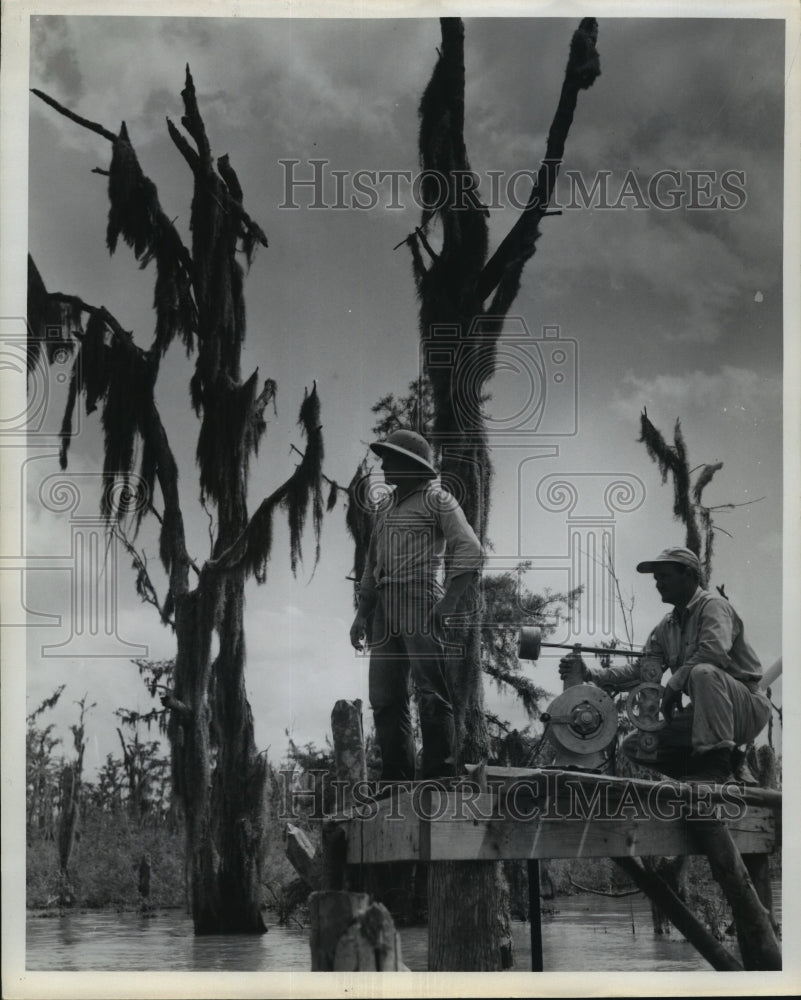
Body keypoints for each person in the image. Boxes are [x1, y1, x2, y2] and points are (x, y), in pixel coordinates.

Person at [560, 546, 771, 783]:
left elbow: (714, 652)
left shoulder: (713, 606)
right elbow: (641, 670)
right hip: (709, 712)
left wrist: (675, 681)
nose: (658, 584)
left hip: (746, 707)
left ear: (689, 575)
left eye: (665, 576)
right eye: (656, 578)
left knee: (704, 672)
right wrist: (591, 673)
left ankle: (716, 768)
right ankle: (718, 768)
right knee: (636, 746)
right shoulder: (666, 626)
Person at [349, 429, 482, 781]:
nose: (384, 464)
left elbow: (470, 548)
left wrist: (449, 602)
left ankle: (440, 774)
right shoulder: (385, 507)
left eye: (391, 458)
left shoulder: (436, 499)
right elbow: (370, 563)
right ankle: (397, 778)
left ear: (411, 464)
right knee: (384, 696)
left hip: (419, 596)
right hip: (384, 606)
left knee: (430, 692)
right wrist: (362, 614)